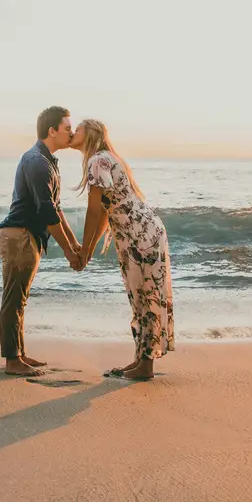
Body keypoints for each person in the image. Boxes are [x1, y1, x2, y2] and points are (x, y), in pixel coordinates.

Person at [71, 119, 174, 380]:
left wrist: (84, 250)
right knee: (139, 295)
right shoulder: (105, 158)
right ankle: (141, 358)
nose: (73, 133)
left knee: (146, 295)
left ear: (90, 134)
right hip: (139, 233)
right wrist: (90, 248)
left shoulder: (98, 161)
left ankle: (146, 365)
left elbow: (94, 210)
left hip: (140, 235)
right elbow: (106, 211)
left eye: (77, 129)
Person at [0, 106, 82, 376]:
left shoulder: (47, 161)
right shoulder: (37, 162)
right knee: (14, 298)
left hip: (26, 237)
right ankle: (12, 361)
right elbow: (47, 212)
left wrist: (74, 244)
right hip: (19, 236)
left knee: (20, 298)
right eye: (68, 128)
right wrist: (69, 252)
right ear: (52, 131)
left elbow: (56, 209)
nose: (72, 132)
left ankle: (19, 355)